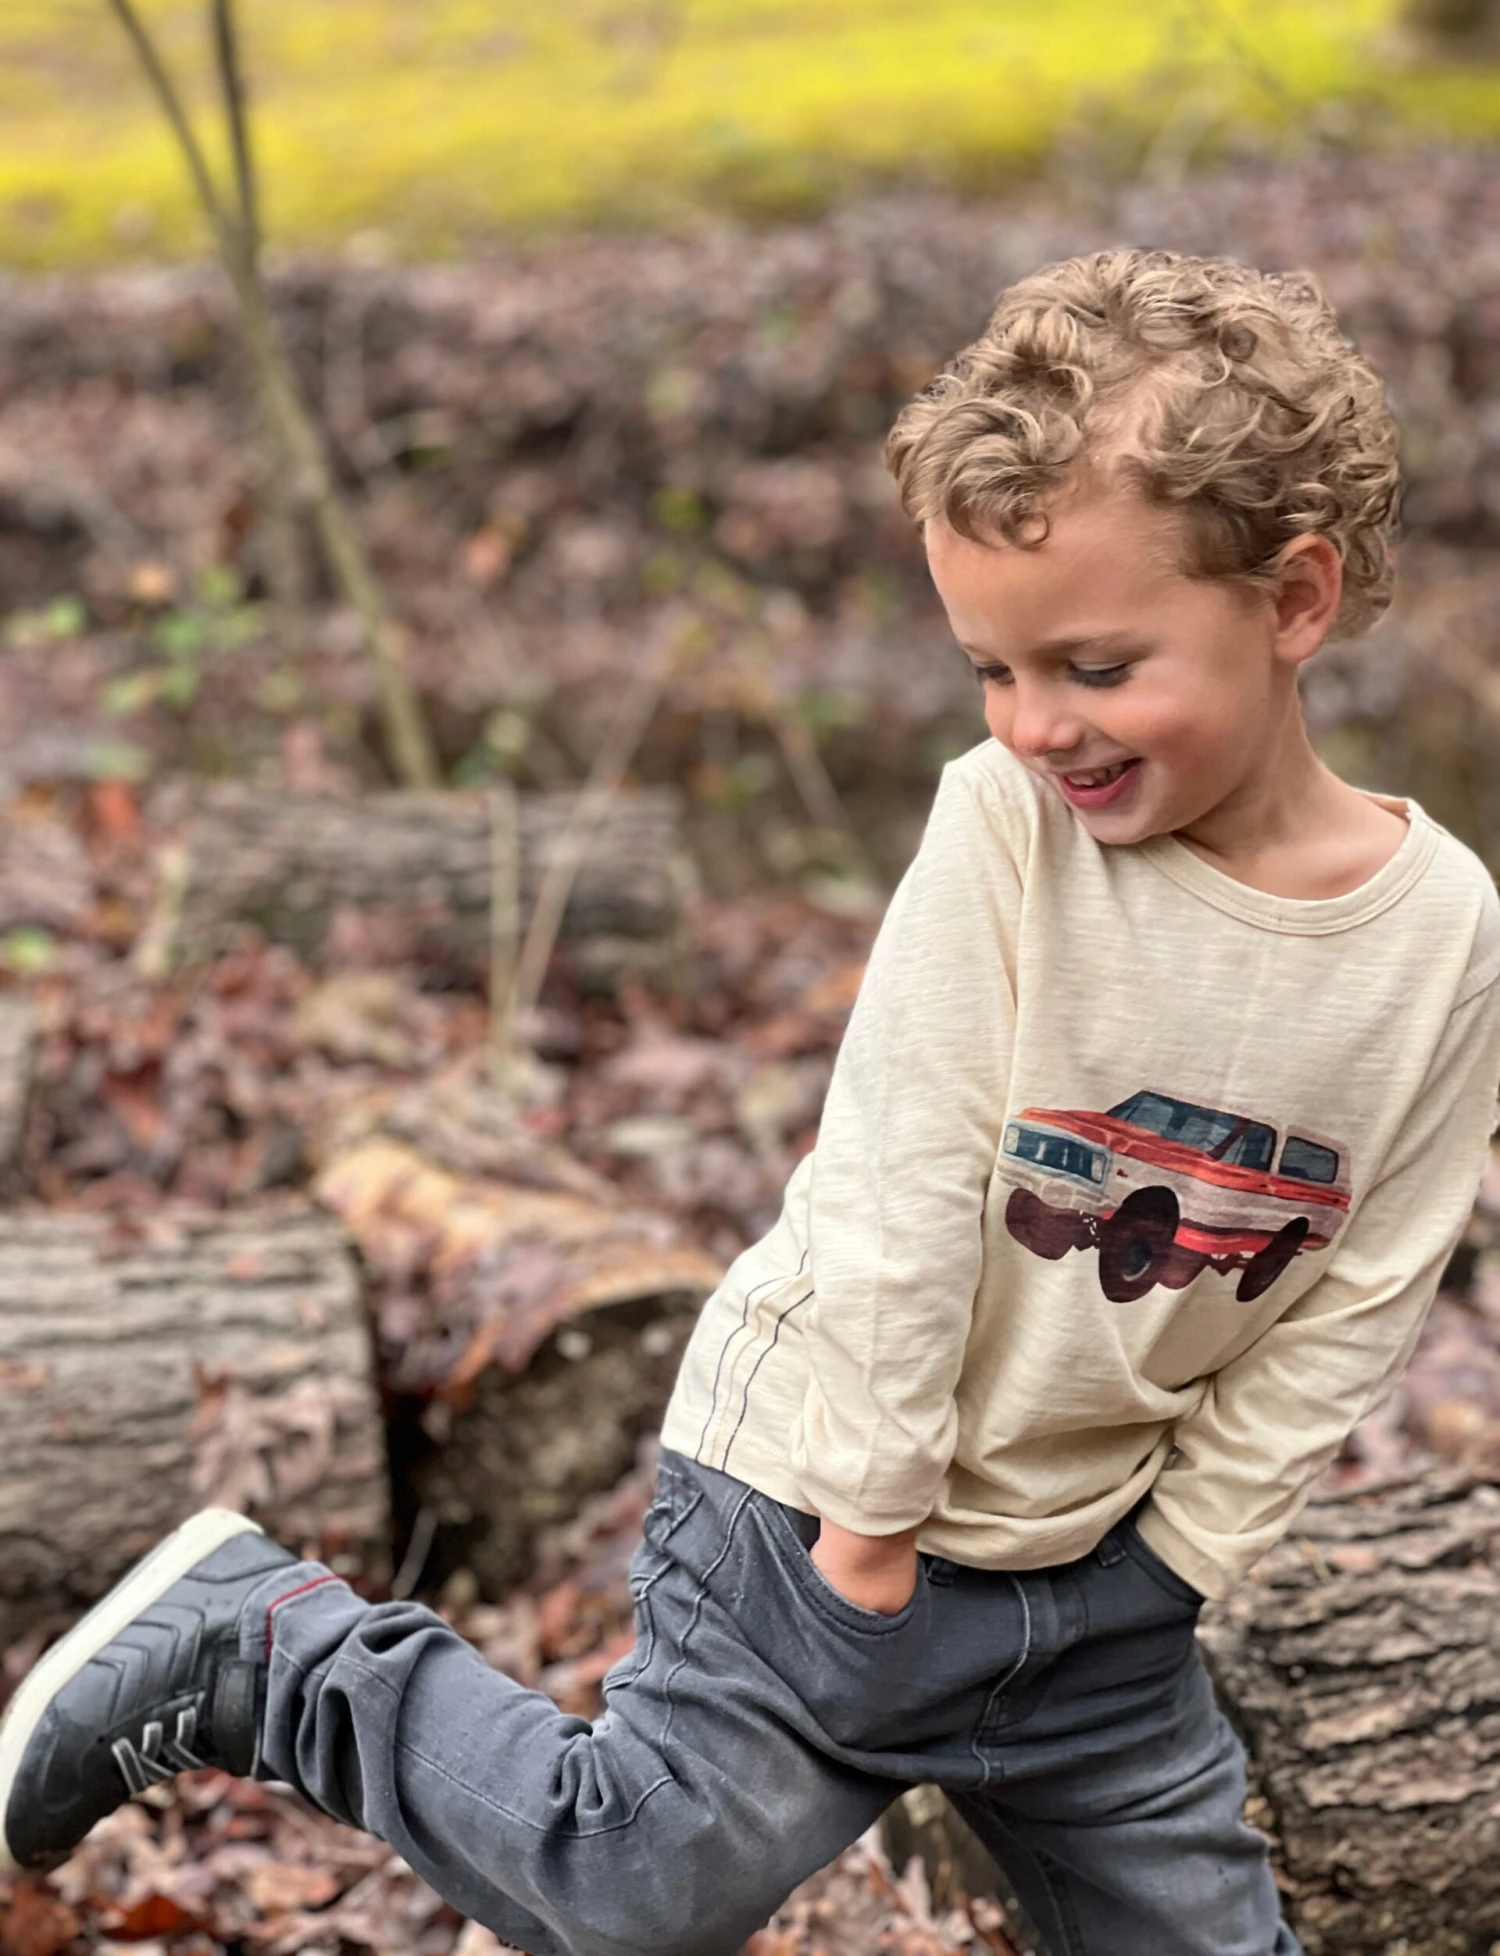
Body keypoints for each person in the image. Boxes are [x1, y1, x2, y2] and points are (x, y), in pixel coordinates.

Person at [3, 249, 1498, 1956]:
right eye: (991, 673)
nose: (1033, 727)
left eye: (1092, 665)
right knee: (634, 1887)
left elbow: (1371, 1280)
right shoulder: (1007, 832)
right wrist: (869, 1533)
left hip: (1095, 1589)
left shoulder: (1437, 938)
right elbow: (901, 1181)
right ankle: (270, 1647)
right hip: (818, 1517)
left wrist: (1178, 1563)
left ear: (1294, 600)